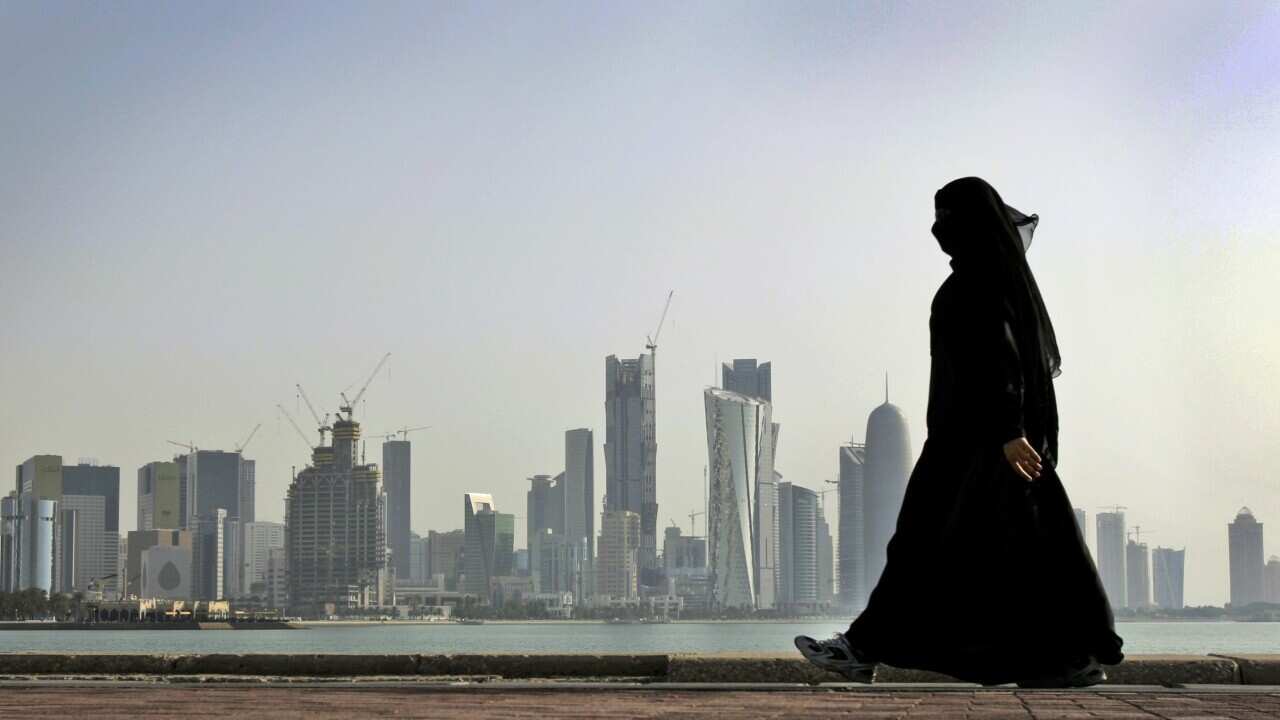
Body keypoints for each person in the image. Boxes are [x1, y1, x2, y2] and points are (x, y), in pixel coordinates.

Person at [795, 177, 1123, 687]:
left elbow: (1002, 360)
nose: (937, 229)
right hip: (971, 441)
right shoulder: (981, 278)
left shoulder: (982, 283)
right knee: (1003, 553)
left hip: (980, 445)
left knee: (926, 547)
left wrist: (1009, 431)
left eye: (948, 217)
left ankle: (862, 649)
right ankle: (1061, 660)